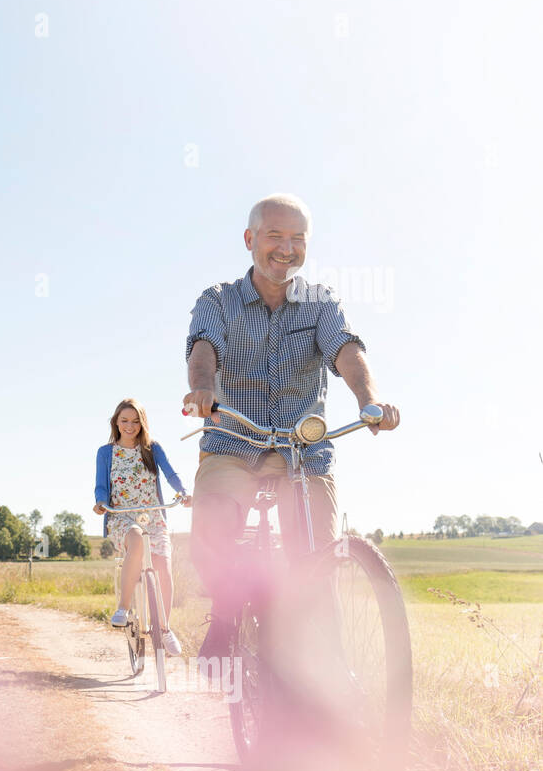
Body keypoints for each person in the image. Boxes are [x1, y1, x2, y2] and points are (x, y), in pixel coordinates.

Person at [182, 193, 400, 662]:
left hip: (305, 453)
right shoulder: (217, 300)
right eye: (275, 236)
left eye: (297, 238)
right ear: (250, 239)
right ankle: (224, 612)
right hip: (233, 442)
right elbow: (204, 349)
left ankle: (330, 673)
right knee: (212, 531)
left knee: (318, 562)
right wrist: (202, 389)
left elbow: (346, 350)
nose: (286, 248)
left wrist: (370, 400)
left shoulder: (321, 303)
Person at [93, 399, 189, 656]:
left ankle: (165, 628)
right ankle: (123, 608)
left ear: (142, 423)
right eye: (124, 420)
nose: (130, 426)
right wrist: (100, 502)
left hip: (153, 517)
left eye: (135, 421)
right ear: (116, 422)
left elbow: (170, 473)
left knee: (164, 569)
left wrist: (182, 491)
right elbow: (101, 485)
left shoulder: (152, 448)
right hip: (122, 517)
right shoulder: (106, 452)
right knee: (135, 539)